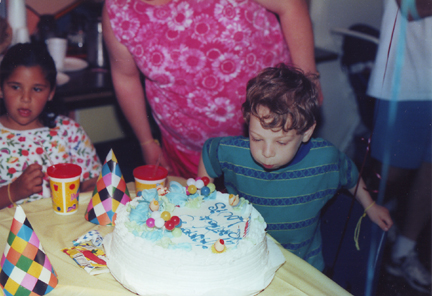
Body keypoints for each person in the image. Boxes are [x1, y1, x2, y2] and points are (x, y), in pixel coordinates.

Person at [197, 64, 393, 271]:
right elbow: (210, 153)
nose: (267, 151)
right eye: (257, 138)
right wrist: (202, 201)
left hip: (301, 266)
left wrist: (370, 205)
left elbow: (351, 175)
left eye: (281, 142)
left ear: (307, 133)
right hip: (245, 259)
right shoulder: (232, 152)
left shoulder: (325, 158)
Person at [102, 0, 322, 179]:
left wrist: (308, 82)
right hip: (189, 153)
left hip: (275, 137)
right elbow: (125, 78)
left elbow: (291, 5)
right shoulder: (119, 11)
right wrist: (146, 142)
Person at [367, 0, 432, 293]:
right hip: (407, 81)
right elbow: (412, 9)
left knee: (430, 172)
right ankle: (348, 244)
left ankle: (403, 252)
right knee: (389, 176)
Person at [0, 43, 102, 209]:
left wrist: (88, 194)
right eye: (16, 87)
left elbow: (93, 181)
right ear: (1, 88)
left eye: (37, 89)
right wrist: (14, 191)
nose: (26, 98)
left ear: (51, 93)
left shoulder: (69, 131)